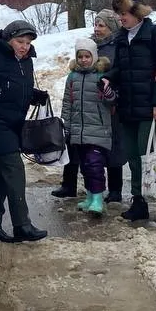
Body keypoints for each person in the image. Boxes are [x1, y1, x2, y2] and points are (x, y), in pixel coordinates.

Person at [0, 20, 50, 243]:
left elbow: (10, 85)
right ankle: (22, 224)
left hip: (11, 124)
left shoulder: (25, 62)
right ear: (7, 39)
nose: (24, 46)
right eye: (19, 41)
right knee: (14, 168)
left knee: (1, 176)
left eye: (28, 42)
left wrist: (33, 95)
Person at [102, 0, 156, 222]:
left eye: (123, 14)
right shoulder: (121, 38)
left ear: (136, 12)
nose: (120, 18)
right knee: (134, 157)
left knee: (152, 157)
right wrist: (108, 77)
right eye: (118, 14)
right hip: (127, 107)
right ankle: (139, 202)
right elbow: (123, 68)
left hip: (150, 108)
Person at [52, 9, 126, 203]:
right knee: (77, 146)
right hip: (83, 107)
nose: (97, 28)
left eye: (101, 25)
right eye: (96, 24)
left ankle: (115, 189)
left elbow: (120, 75)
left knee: (110, 148)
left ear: (112, 28)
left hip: (107, 106)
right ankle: (70, 185)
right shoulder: (91, 45)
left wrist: (112, 94)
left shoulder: (118, 47)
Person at [61, 37, 117, 215]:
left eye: (87, 56)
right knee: (85, 166)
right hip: (79, 130)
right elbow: (67, 103)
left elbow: (112, 102)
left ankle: (98, 198)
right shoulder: (72, 77)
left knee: (95, 165)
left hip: (98, 129)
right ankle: (90, 196)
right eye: (80, 57)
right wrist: (66, 125)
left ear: (94, 56)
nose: (84, 60)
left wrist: (108, 93)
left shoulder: (101, 77)